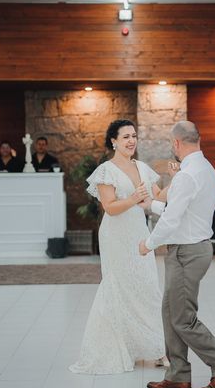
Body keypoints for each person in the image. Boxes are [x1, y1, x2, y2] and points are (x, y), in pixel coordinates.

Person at [140, 120, 215, 388]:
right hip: (193, 247)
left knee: (183, 318)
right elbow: (184, 210)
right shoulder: (204, 168)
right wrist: (152, 205)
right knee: (170, 312)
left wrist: (148, 243)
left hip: (187, 252)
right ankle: (178, 375)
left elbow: (173, 219)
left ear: (176, 143)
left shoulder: (186, 174)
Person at [69, 119, 167, 374]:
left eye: (133, 136)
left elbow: (157, 196)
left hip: (139, 232)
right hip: (115, 236)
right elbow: (110, 208)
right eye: (125, 137)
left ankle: (156, 348)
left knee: (147, 286)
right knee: (120, 287)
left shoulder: (143, 167)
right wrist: (133, 198)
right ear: (113, 141)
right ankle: (121, 346)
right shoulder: (106, 170)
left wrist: (176, 181)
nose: (131, 141)